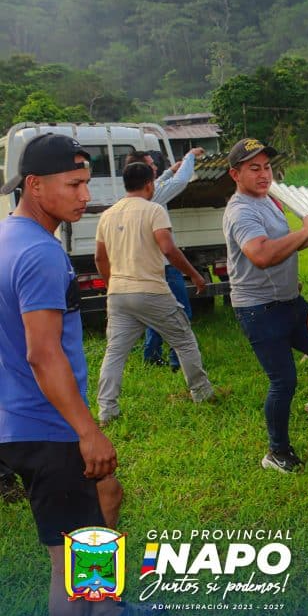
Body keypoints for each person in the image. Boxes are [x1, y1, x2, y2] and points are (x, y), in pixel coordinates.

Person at [0, 133, 155, 616]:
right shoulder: (42, 255)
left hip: (18, 417)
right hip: (49, 426)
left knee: (108, 493)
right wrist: (87, 430)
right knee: (74, 557)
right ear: (34, 185)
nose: (85, 195)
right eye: (73, 184)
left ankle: (105, 611)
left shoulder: (7, 237)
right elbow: (43, 353)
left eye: (87, 183)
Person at [223, 138, 308, 472]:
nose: (264, 174)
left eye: (266, 167)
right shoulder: (241, 211)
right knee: (284, 381)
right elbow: (262, 254)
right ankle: (276, 452)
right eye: (254, 169)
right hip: (258, 309)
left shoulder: (268, 200)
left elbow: (284, 246)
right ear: (235, 174)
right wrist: (305, 229)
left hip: (289, 301)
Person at [94, 163, 217, 425]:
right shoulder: (154, 210)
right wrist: (195, 274)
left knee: (115, 352)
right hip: (151, 291)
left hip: (118, 293)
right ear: (150, 184)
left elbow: (99, 258)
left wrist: (112, 283)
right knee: (183, 340)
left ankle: (107, 411)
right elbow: (169, 250)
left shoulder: (108, 215)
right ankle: (202, 393)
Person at [124, 148, 206, 371]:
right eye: (151, 166)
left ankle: (151, 356)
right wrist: (189, 157)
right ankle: (177, 360)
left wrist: (170, 169)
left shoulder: (134, 197)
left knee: (155, 313)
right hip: (164, 267)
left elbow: (161, 180)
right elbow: (181, 183)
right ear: (142, 172)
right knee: (181, 313)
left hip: (145, 267)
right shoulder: (154, 197)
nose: (155, 168)